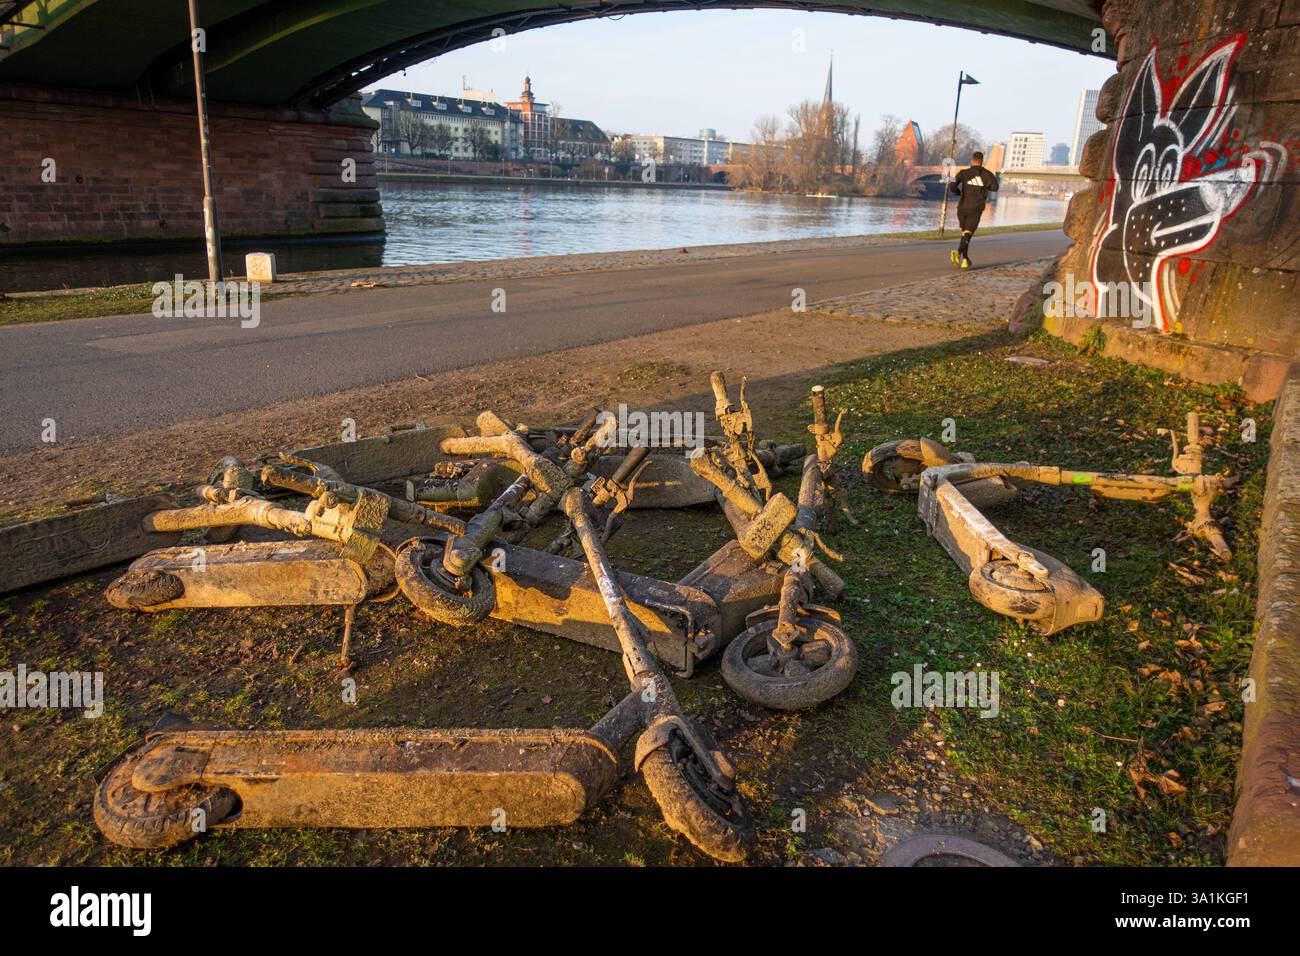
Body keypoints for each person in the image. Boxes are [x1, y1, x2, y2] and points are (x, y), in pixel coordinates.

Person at [949, 151, 999, 269]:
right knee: (968, 234)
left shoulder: (964, 173)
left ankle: (965, 259)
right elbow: (995, 188)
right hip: (975, 208)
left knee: (965, 234)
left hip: (962, 208)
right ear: (982, 161)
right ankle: (958, 253)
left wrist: (957, 192)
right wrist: (984, 186)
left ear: (972, 160)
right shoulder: (987, 174)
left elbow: (952, 184)